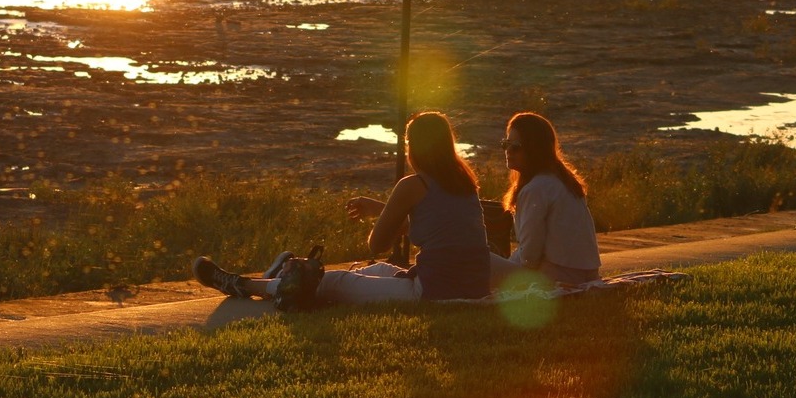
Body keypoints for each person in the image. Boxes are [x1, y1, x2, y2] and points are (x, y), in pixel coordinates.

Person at [193, 110, 491, 305]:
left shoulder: (414, 184)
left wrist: (386, 214)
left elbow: (377, 244)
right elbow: (434, 227)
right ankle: (278, 278)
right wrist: (380, 209)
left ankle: (243, 285)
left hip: (434, 292)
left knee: (330, 281)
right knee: (374, 270)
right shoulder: (464, 183)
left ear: (414, 146)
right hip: (473, 286)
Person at [489, 111, 600, 288]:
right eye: (505, 144)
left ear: (534, 149)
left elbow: (530, 258)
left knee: (478, 258)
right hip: (583, 275)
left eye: (515, 146)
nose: (508, 151)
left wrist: (506, 265)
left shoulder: (536, 189)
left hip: (553, 278)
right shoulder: (564, 183)